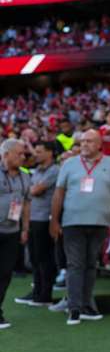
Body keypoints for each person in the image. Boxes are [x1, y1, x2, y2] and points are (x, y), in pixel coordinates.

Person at [50, 129, 110, 326]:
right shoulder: (69, 164)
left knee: (91, 264)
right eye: (82, 141)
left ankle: (85, 305)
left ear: (100, 144)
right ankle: (74, 308)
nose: (84, 145)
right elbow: (59, 193)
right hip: (72, 221)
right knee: (75, 264)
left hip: (100, 222)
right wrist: (54, 220)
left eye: (89, 141)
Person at [17, 141, 58, 306]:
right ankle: (37, 291)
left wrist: (29, 189)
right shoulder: (38, 171)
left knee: (44, 257)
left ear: (50, 153)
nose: (36, 154)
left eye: (40, 151)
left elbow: (34, 190)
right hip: (33, 217)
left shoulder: (55, 170)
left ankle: (45, 294)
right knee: (34, 257)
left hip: (44, 218)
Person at [0, 139, 31, 329]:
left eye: (23, 154)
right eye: (18, 154)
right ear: (6, 154)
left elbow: (27, 203)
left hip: (12, 231)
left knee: (4, 273)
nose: (23, 157)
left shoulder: (25, 176)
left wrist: (25, 228)